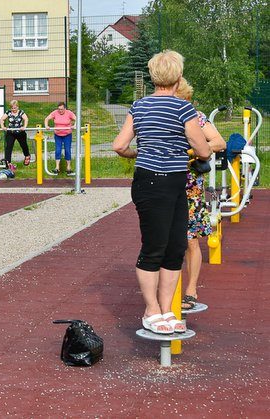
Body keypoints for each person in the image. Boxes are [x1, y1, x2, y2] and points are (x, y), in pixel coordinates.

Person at [112, 50, 212, 335]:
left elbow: (119, 146)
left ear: (153, 77)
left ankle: (165, 309)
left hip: (150, 181)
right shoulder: (184, 109)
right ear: (178, 78)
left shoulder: (139, 106)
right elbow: (203, 149)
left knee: (167, 246)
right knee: (167, 247)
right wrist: (186, 149)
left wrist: (137, 153)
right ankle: (153, 310)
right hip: (171, 180)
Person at [175, 78, 226, 310]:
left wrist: (194, 150)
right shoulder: (164, 115)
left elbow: (219, 141)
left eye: (178, 98)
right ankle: (169, 289)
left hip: (190, 184)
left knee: (190, 239)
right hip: (166, 181)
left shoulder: (197, 117)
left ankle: (191, 289)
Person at [44, 102, 77, 175]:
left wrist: (74, 125)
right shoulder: (55, 113)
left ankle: (68, 167)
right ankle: (57, 167)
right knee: (58, 150)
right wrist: (46, 125)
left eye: (62, 109)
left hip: (67, 135)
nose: (60, 111)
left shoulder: (69, 113)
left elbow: (76, 119)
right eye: (59, 109)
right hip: (58, 135)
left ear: (65, 108)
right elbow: (46, 119)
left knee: (67, 150)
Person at [0, 100, 31, 167]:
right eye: (12, 108)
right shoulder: (8, 112)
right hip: (11, 132)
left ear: (17, 107)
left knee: (23, 145)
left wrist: (24, 127)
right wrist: (3, 126)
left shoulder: (21, 112)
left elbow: (26, 119)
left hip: (20, 132)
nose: (13, 109)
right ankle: (8, 162)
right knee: (8, 147)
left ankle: (27, 156)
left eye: (15, 108)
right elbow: (2, 119)